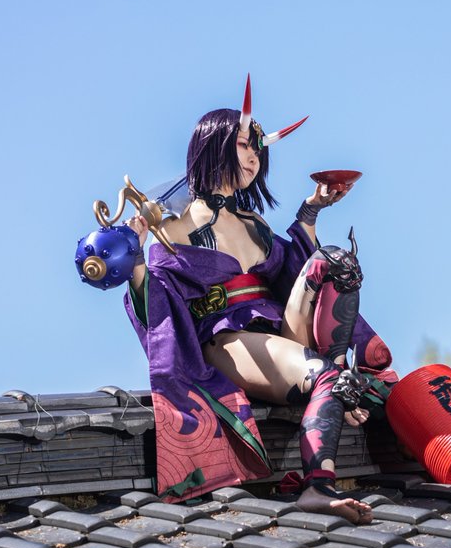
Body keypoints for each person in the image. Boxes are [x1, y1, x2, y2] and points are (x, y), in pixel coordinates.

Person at [123, 78, 395, 524]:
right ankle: (317, 485)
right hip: (228, 340)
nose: (254, 157)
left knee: (337, 261)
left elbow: (296, 270)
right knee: (327, 375)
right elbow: (155, 299)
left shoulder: (255, 223)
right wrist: (133, 255)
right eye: (244, 145)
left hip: (278, 330)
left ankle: (337, 381)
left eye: (258, 149)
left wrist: (311, 210)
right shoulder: (172, 228)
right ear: (212, 146)